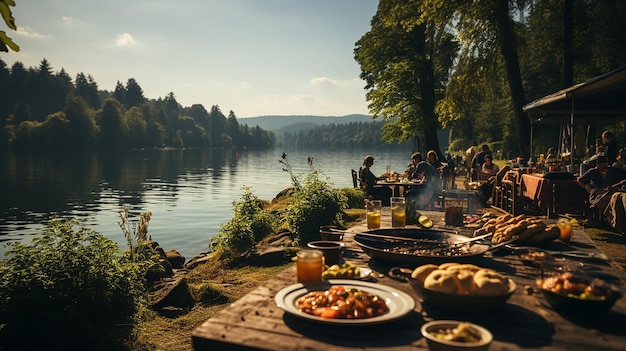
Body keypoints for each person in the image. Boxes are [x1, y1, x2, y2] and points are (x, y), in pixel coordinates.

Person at [578, 155, 626, 231]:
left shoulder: (613, 171)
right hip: (597, 191)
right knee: (603, 195)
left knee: (612, 194)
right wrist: (587, 187)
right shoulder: (592, 172)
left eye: (606, 165)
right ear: (598, 165)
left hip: (610, 191)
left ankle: (596, 206)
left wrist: (616, 185)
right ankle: (598, 207)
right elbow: (580, 179)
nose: (605, 168)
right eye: (603, 166)